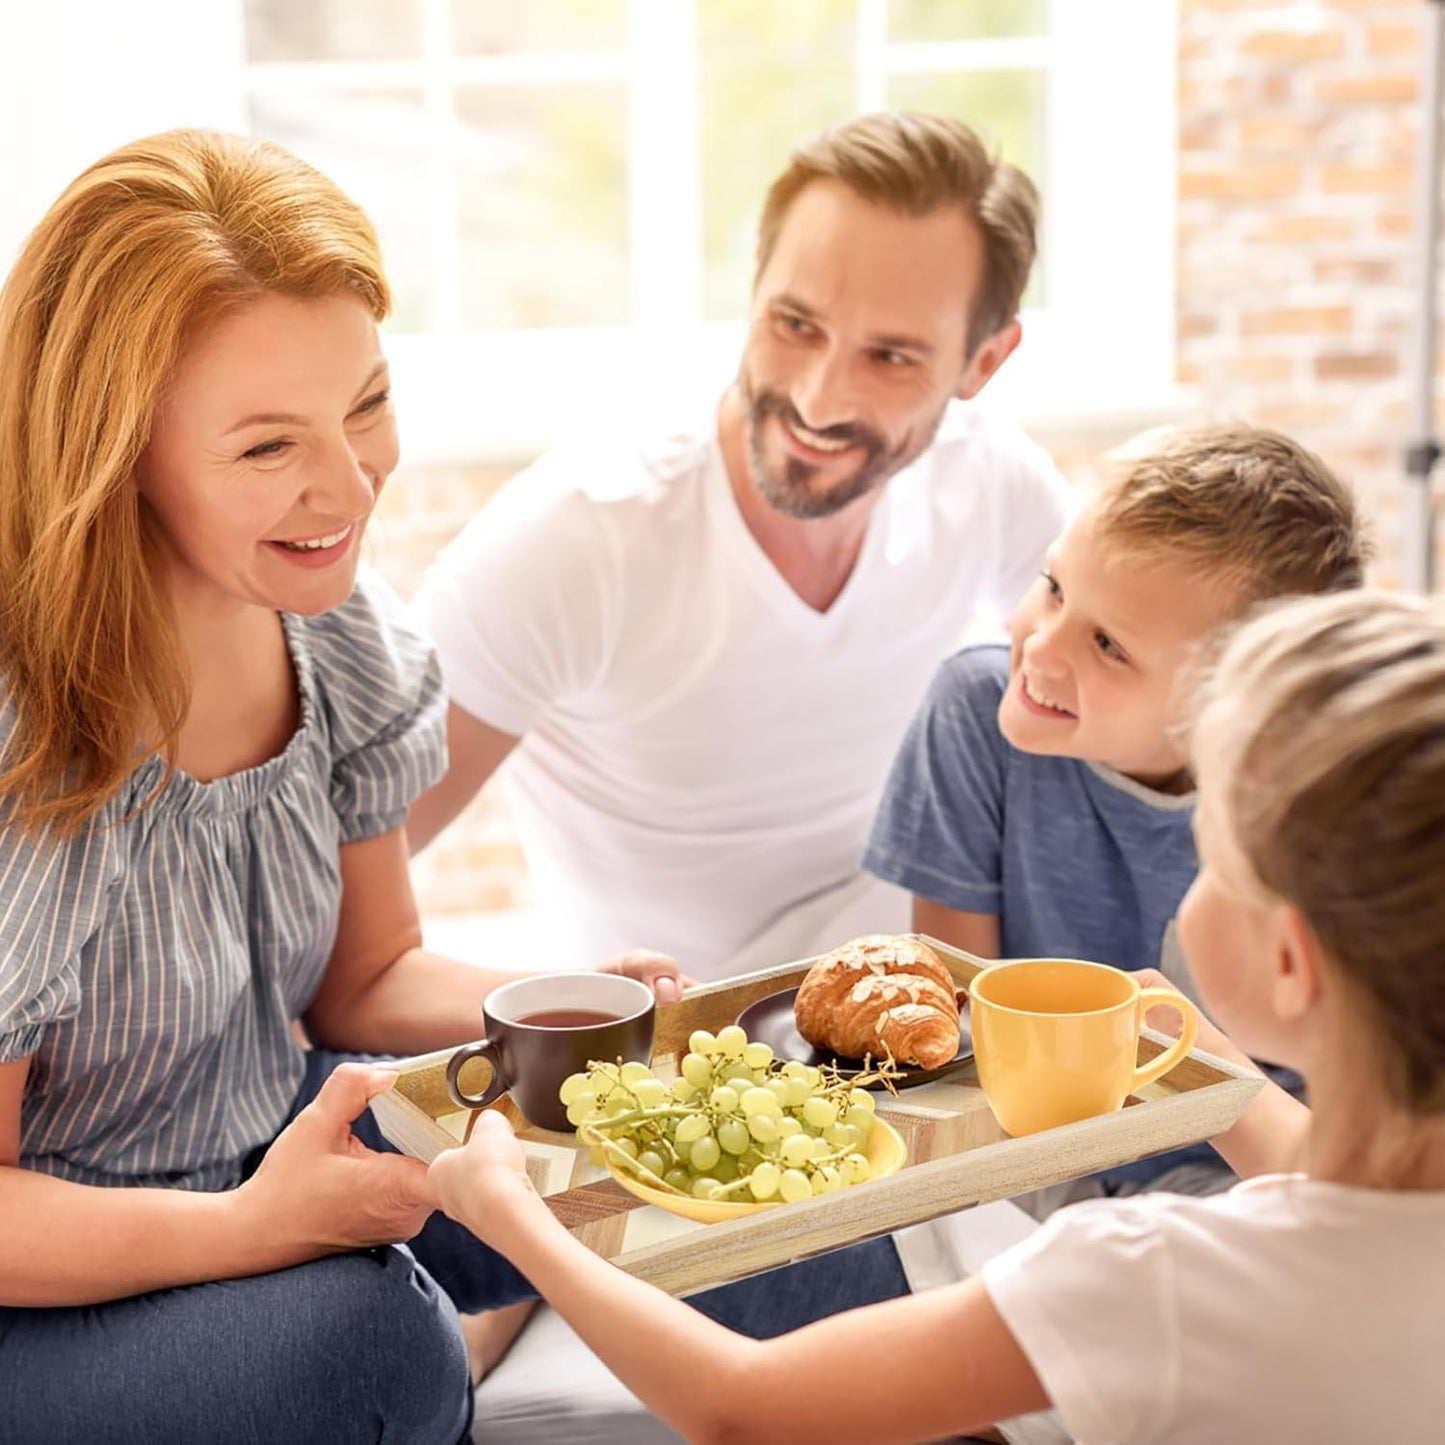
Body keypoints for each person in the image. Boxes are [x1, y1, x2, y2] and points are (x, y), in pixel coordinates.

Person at [0, 128, 695, 1443]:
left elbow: (364, 986)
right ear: (117, 449)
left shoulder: (336, 631)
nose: (351, 481)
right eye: (267, 447)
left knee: (721, 1190)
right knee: (371, 1352)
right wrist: (250, 1232)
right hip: (50, 1278)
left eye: (364, 403)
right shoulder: (30, 736)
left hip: (273, 1150)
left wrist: (558, 1011)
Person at [430, 586, 1445, 1444]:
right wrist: (1203, 1058)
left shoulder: (1161, 1278)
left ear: (1288, 959)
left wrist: (526, 1229)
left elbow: (741, 1406)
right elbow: (1325, 1171)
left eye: (1211, 852)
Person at [408, 110, 1075, 982]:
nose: (818, 399)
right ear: (754, 282)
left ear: (983, 361)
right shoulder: (578, 537)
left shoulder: (988, 482)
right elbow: (337, 891)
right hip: (667, 1060)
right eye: (794, 324)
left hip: (912, 1014)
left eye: (890, 357)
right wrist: (560, 1008)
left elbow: (1163, 709)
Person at [862, 422, 1368, 1211]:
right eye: (1054, 586)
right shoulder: (973, 711)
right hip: (1031, 1157)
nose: (1040, 646)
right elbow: (966, 1037)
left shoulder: (1319, 808)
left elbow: (1343, 1163)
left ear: (1229, 709)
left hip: (1255, 1178)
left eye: (1107, 645)